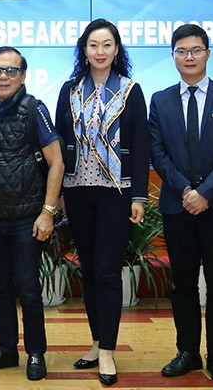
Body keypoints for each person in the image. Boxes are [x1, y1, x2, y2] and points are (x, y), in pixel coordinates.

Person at [149, 23, 213, 385]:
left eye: (195, 50)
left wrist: (205, 193)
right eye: (182, 51)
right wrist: (185, 191)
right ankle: (187, 351)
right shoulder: (160, 100)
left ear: (208, 53)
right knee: (183, 284)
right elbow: (157, 152)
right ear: (173, 56)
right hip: (178, 206)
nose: (189, 57)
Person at [53, 19, 149, 387]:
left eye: (107, 45)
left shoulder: (130, 90)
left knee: (108, 271)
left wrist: (139, 196)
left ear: (117, 49)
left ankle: (108, 350)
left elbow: (141, 146)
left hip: (117, 193)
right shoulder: (69, 90)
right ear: (84, 50)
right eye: (93, 45)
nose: (100, 51)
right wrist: (58, 195)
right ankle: (96, 342)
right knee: (90, 270)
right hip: (77, 191)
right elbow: (59, 144)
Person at [0, 46, 64, 382]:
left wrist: (47, 212)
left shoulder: (34, 109)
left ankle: (36, 352)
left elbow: (57, 162)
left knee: (28, 289)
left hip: (27, 218)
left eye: (11, 71)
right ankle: (6, 349)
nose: (3, 77)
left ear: (23, 75)